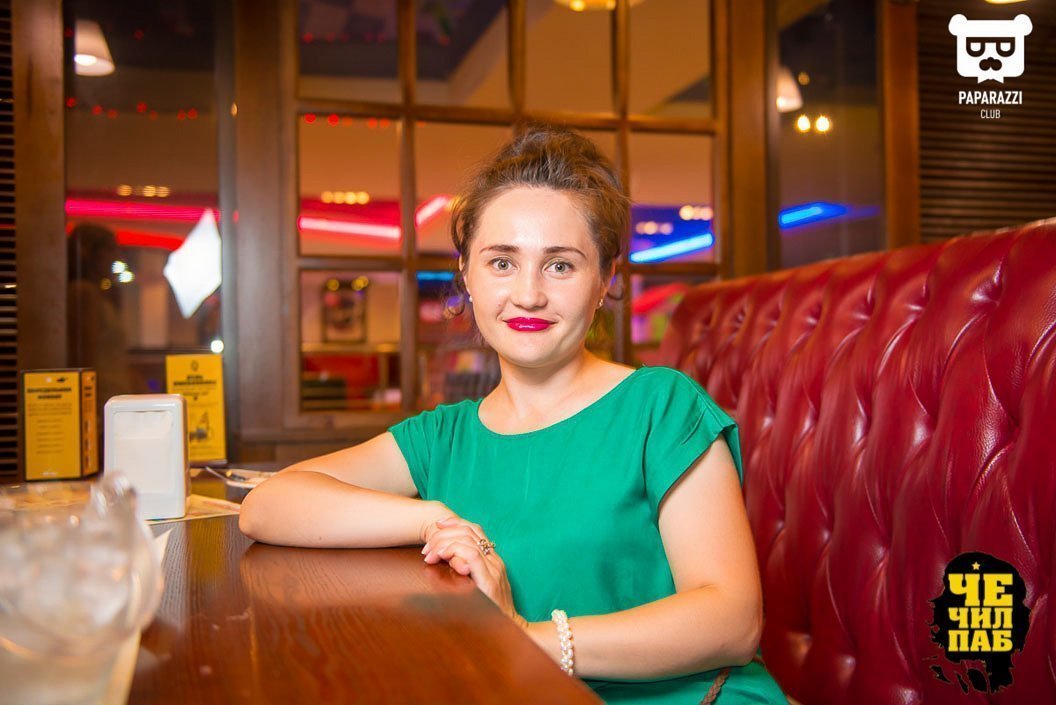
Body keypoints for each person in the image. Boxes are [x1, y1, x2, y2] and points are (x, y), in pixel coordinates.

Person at [239, 126, 786, 704]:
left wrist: (527, 639)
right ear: (466, 275)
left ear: (606, 280)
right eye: (502, 262)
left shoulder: (662, 407)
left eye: (560, 266)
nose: (528, 294)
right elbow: (268, 505)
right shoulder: (442, 438)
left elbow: (732, 620)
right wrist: (431, 519)